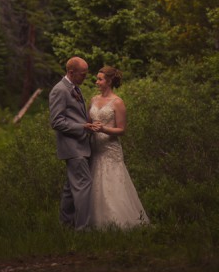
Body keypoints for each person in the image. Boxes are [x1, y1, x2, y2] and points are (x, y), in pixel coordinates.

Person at [88, 65, 149, 229]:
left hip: (110, 149)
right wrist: (89, 127)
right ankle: (95, 223)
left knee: (112, 183)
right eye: (98, 79)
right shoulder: (93, 100)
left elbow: (121, 130)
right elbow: (89, 122)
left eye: (100, 79)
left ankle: (118, 223)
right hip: (95, 148)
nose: (97, 82)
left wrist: (103, 129)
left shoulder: (118, 102)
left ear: (108, 81)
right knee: (96, 183)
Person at [48, 56, 97, 230]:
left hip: (80, 145)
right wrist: (83, 127)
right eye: (83, 74)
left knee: (70, 189)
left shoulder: (74, 87)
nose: (85, 77)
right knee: (84, 185)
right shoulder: (60, 90)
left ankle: (66, 225)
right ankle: (83, 229)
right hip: (73, 147)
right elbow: (56, 122)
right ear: (71, 72)